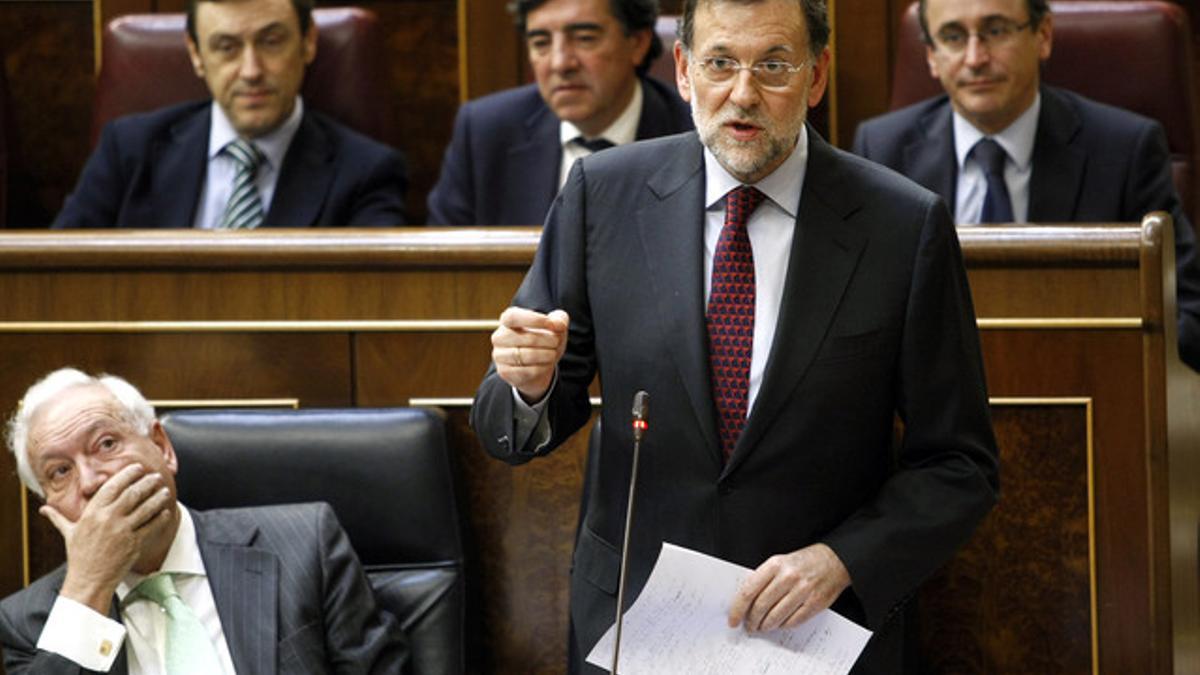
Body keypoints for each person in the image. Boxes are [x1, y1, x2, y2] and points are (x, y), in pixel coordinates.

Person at [469, 0, 1000, 672]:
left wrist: (842, 560)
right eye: (721, 63)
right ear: (685, 71)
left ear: (817, 76)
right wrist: (528, 386)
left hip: (820, 630)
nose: (742, 93)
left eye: (773, 65)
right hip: (638, 627)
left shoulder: (902, 225)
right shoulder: (602, 196)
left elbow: (959, 463)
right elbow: (511, 421)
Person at [851, 0, 1200, 371]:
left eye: (996, 30)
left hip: (1084, 396)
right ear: (932, 56)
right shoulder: (883, 151)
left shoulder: (1125, 151)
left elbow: (1187, 313)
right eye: (953, 37)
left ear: (1043, 35)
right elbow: (861, 311)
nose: (975, 58)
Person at [0, 368, 409, 673]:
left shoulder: (304, 546)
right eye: (59, 472)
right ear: (47, 506)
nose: (89, 482)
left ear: (163, 448)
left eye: (106, 444)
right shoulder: (27, 625)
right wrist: (89, 587)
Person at [53, 0, 408, 229]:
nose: (251, 70)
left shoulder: (366, 174)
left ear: (308, 42)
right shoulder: (128, 151)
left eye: (271, 41)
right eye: (227, 47)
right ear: (195, 54)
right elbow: (62, 280)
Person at [425, 0, 693, 225]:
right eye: (541, 43)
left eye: (585, 39)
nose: (560, 63)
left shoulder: (692, 133)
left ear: (638, 43)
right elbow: (445, 269)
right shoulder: (485, 132)